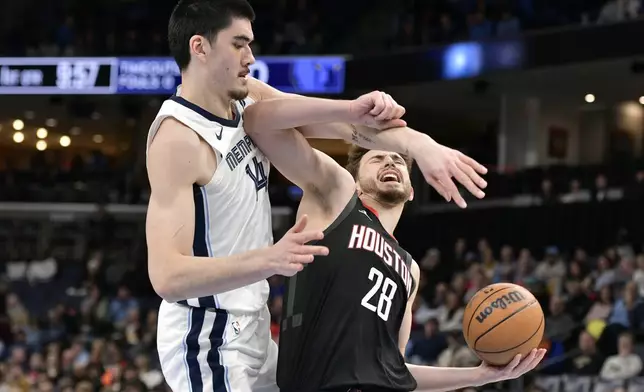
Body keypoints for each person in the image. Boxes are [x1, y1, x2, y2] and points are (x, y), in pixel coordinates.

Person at [146, 0, 489, 390]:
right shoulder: (177, 139)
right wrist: (270, 258)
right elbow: (167, 277)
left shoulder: (242, 97)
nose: (250, 57)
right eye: (239, 44)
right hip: (208, 334)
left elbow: (338, 123)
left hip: (255, 327)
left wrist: (421, 144)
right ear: (200, 47)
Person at [243, 98, 548, 392]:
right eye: (377, 156)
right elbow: (259, 121)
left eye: (399, 159)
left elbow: (393, 370)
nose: (390, 158)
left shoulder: (409, 269)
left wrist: (479, 375)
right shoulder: (337, 197)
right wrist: (350, 114)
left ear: (412, 190)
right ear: (357, 180)